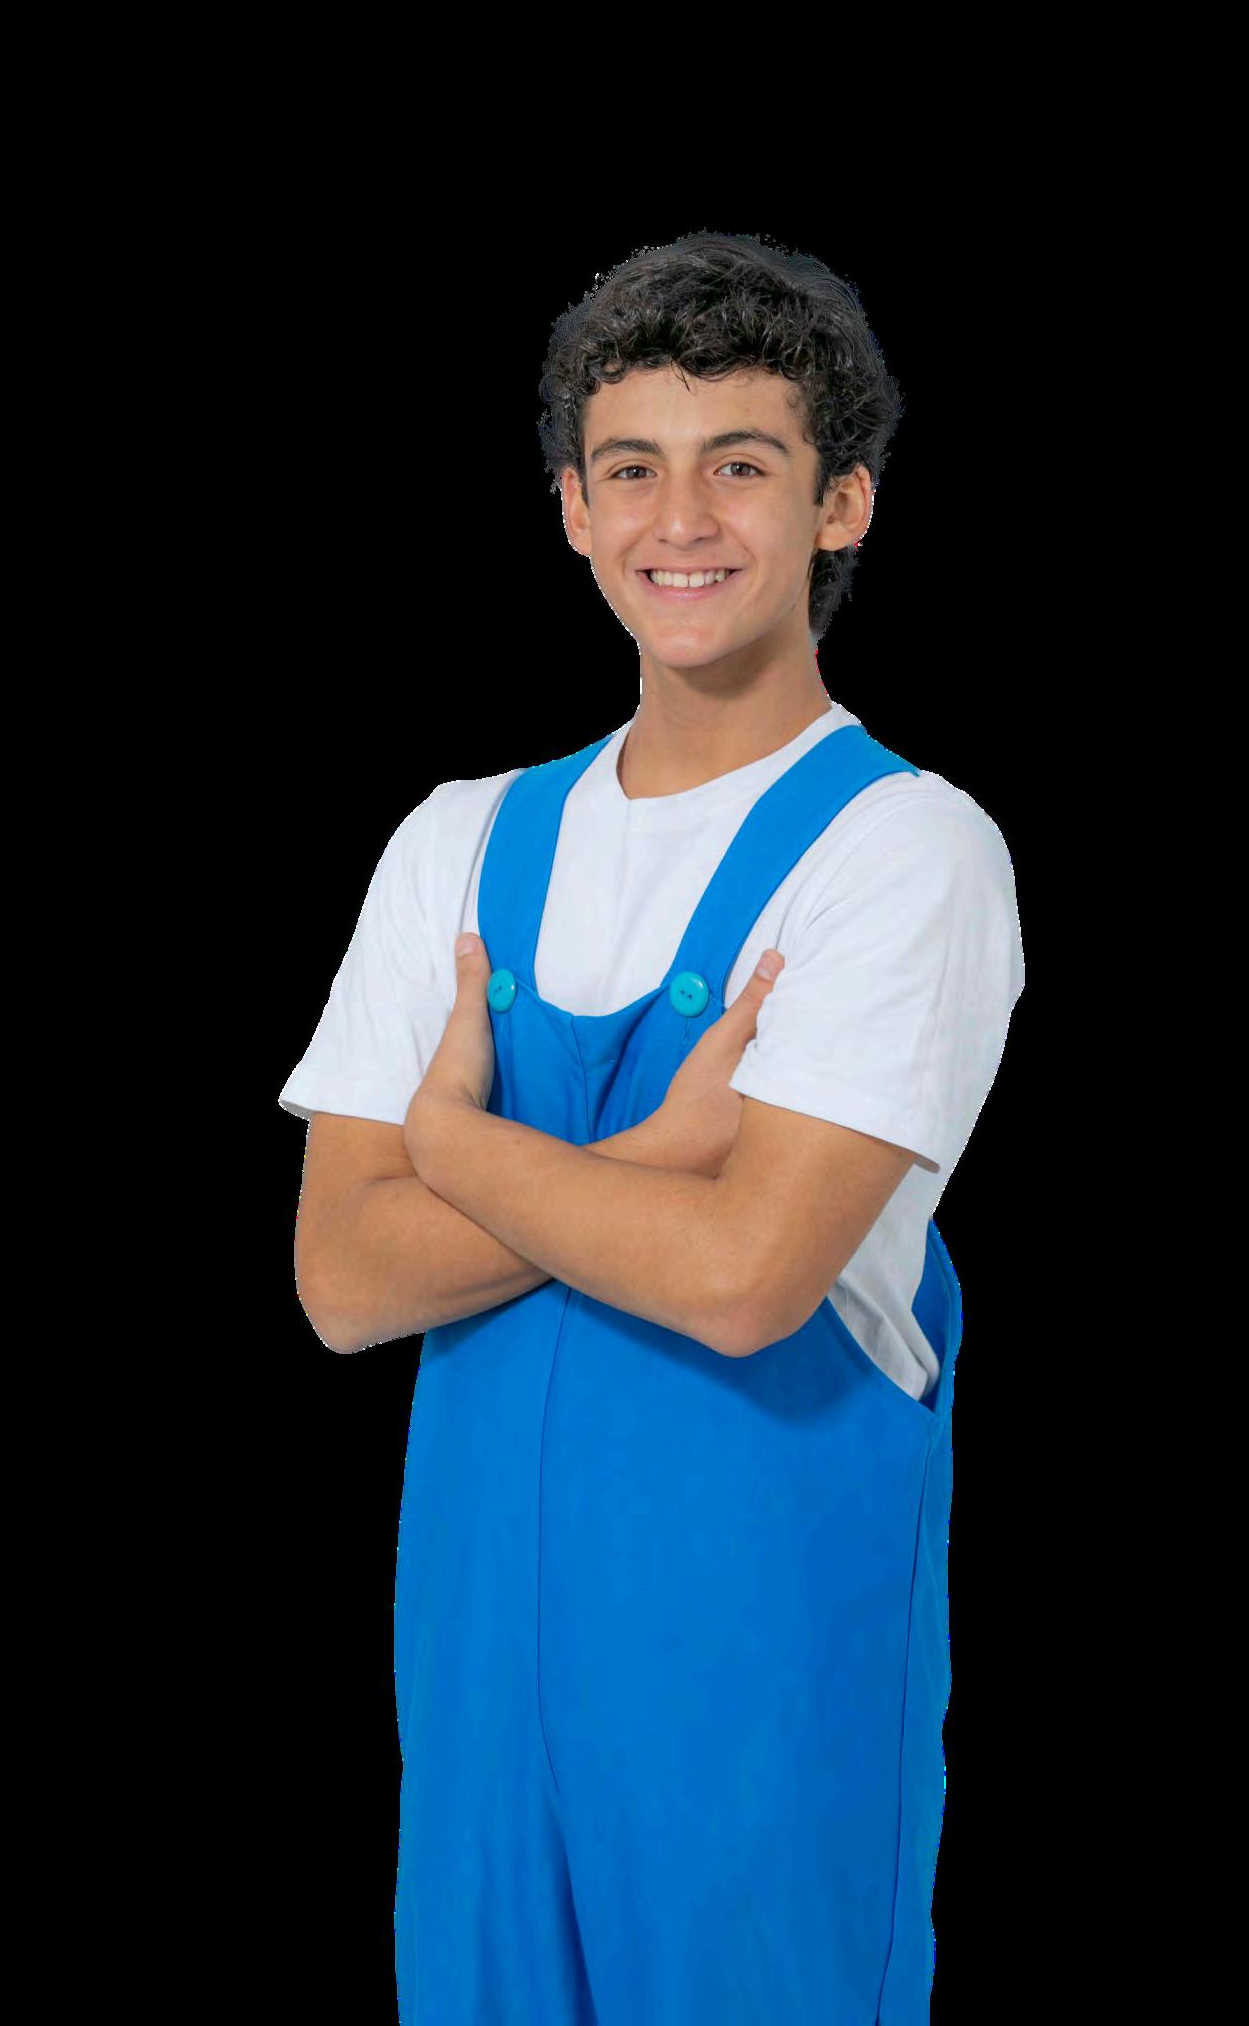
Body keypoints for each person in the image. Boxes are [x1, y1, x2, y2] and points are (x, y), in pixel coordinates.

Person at [278, 232, 1025, 2024]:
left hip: (750, 1692)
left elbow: (744, 1280)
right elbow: (342, 1281)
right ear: (571, 509)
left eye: (739, 465)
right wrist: (654, 1157)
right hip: (480, 1687)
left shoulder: (902, 851)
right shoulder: (456, 839)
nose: (678, 521)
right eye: (630, 469)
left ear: (840, 504)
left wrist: (455, 1143)